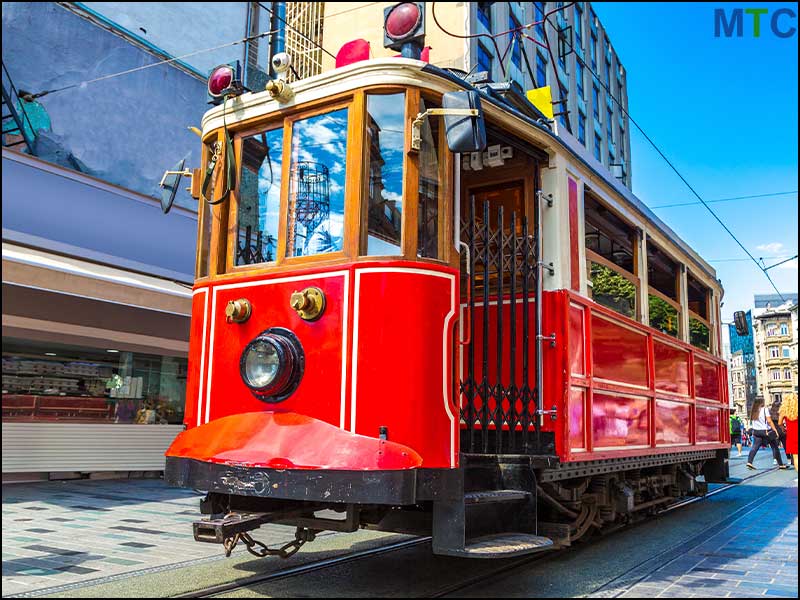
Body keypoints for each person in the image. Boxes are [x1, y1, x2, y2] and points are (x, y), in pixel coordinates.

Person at [746, 397, 789, 470]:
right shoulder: (764, 409)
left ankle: (749, 462)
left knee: (755, 447)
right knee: (775, 446)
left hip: (756, 431)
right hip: (765, 431)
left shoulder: (753, 410)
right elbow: (769, 420)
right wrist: (774, 429)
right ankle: (781, 464)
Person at [778, 392, 798, 472]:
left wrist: (784, 429)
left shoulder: (784, 411)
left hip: (792, 435)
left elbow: (779, 423)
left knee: (796, 457)